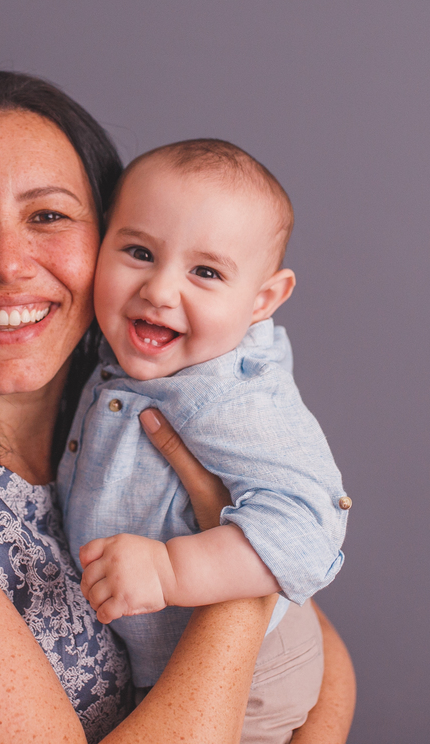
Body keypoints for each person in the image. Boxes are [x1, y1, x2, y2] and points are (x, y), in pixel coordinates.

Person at [0, 71, 356, 743]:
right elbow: (274, 592)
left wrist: (235, 559)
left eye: (48, 216)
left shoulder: (122, 400)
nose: (7, 263)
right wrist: (235, 582)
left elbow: (319, 651)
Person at [56, 139, 350, 742]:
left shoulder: (229, 395)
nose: (160, 291)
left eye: (206, 272)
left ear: (262, 300)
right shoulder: (126, 352)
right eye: (139, 252)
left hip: (252, 674)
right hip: (174, 666)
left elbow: (308, 527)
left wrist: (171, 569)